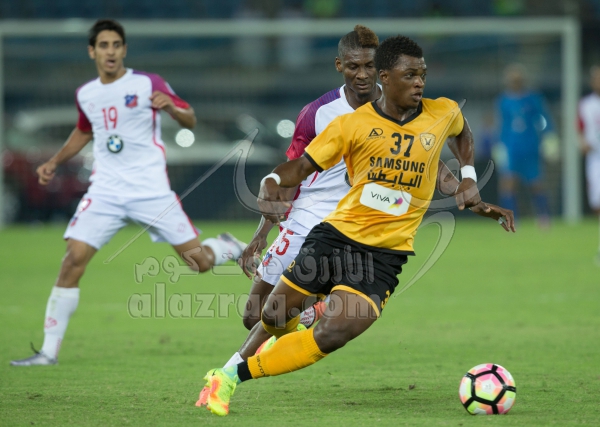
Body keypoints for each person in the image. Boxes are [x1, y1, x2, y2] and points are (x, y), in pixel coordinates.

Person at [200, 34, 515, 416]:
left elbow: (461, 133)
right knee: (266, 316)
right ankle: (273, 332)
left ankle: (228, 377)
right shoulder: (351, 124)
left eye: (423, 74)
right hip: (334, 236)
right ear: (386, 77)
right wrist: (272, 180)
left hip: (384, 257)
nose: (419, 83)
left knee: (333, 334)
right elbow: (300, 166)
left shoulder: (441, 112)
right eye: (410, 75)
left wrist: (468, 180)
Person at [10, 19, 246, 367]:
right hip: (106, 190)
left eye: (116, 45)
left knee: (197, 262)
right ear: (92, 51)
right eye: (103, 45)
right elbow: (84, 130)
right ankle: (48, 352)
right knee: (73, 259)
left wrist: (171, 108)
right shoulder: (86, 93)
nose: (110, 51)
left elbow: (190, 119)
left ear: (124, 50)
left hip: (151, 191)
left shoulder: (147, 82)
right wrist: (55, 161)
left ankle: (226, 245)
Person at [496, 63, 558, 226]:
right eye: (512, 79)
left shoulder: (533, 99)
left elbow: (543, 118)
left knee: (536, 183)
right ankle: (512, 219)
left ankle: (544, 216)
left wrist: (549, 136)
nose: (515, 82)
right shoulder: (504, 101)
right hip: (511, 147)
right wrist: (500, 144)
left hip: (530, 146)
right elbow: (503, 125)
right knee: (507, 183)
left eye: (517, 79)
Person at [578, 65, 600, 264]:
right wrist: (582, 141)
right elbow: (580, 127)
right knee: (596, 202)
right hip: (595, 157)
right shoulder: (586, 104)